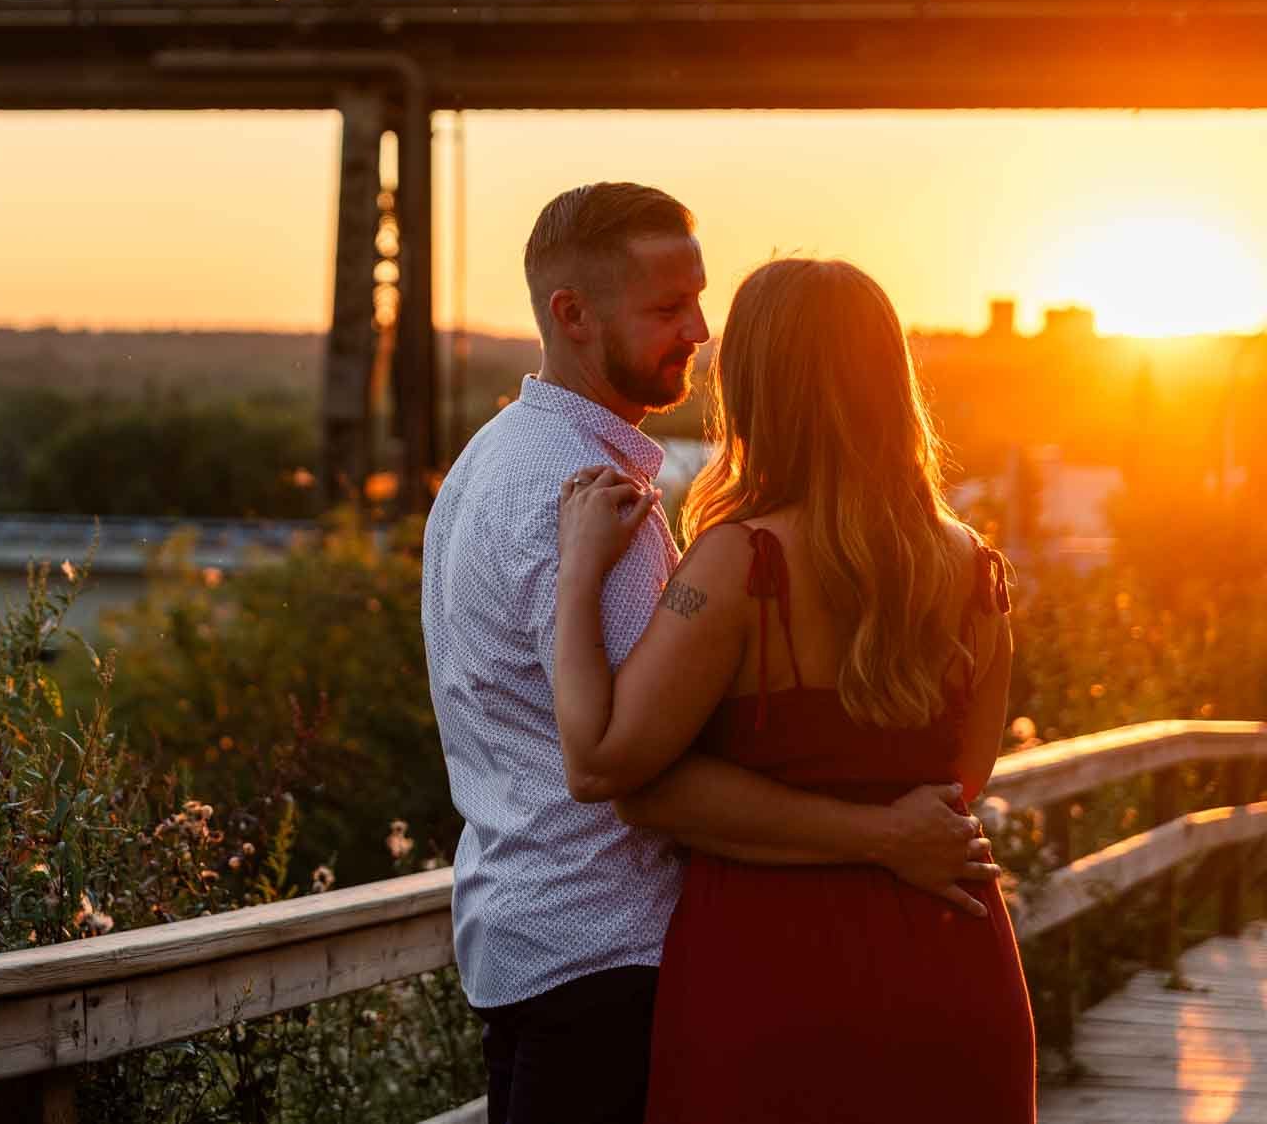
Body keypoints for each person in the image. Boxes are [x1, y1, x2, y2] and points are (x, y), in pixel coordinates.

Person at [421, 185, 1001, 1124]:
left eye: (702, 304)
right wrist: (885, 832)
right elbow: (623, 770)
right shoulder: (600, 503)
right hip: (620, 954)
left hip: (531, 937)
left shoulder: (487, 463)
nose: (697, 332)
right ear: (571, 315)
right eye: (667, 309)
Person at [554, 256, 1035, 1123]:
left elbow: (605, 766)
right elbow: (958, 787)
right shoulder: (975, 568)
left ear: (756, 390)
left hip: (773, 973)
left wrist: (577, 577)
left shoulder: (743, 565)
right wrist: (886, 836)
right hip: (951, 963)